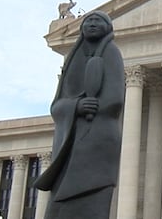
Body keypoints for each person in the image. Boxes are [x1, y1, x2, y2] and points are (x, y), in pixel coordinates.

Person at [35, 11, 125, 219]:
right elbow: (57, 105)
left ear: (107, 27)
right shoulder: (73, 61)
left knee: (93, 193)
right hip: (71, 141)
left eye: (98, 21)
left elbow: (115, 99)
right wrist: (77, 106)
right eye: (88, 21)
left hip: (98, 140)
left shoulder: (111, 53)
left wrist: (96, 106)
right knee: (60, 205)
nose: (92, 24)